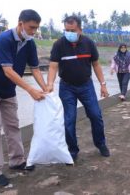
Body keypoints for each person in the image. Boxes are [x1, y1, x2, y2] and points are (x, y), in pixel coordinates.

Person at [0, 10, 48, 187]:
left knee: (13, 125)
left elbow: (35, 69)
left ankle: (17, 161)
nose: (33, 32)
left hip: (8, 89)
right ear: (20, 23)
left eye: (36, 28)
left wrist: (46, 89)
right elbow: (8, 71)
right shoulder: (3, 39)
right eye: (31, 27)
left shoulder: (30, 43)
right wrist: (31, 90)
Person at [47, 15, 110, 161]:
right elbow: (53, 66)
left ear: (80, 29)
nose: (68, 33)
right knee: (69, 119)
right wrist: (50, 84)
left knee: (95, 115)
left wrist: (103, 85)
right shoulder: (59, 45)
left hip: (86, 85)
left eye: (72, 30)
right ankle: (72, 150)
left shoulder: (89, 43)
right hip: (66, 87)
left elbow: (96, 64)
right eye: (66, 30)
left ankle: (101, 144)